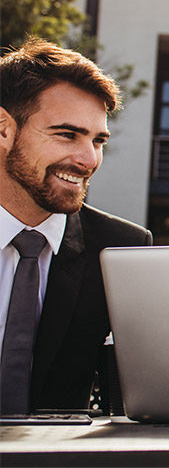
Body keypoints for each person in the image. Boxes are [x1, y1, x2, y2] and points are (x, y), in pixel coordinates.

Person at [0, 38, 152, 415]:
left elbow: (144, 389)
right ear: (3, 130)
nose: (88, 159)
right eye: (67, 134)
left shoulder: (121, 250)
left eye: (97, 140)